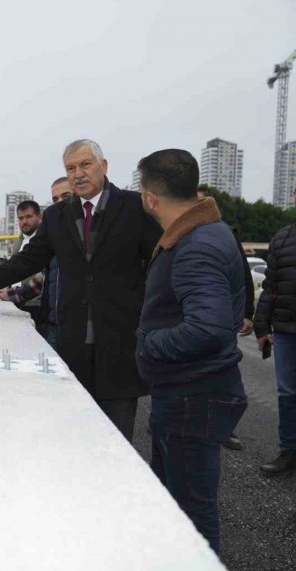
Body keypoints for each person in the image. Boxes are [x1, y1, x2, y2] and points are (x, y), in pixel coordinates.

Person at [0, 139, 162, 440]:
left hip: (120, 345)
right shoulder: (56, 216)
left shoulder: (133, 208)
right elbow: (30, 258)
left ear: (104, 166)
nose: (78, 174)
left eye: (85, 165)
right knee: (74, 433)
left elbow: (158, 261)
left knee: (117, 438)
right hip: (72, 345)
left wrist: (146, 310)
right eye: (71, 168)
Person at [135, 148, 247, 554]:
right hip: (189, 393)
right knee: (175, 506)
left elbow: (209, 327)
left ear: (149, 197)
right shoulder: (206, 231)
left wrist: (149, 341)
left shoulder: (195, 244)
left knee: (191, 518)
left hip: (192, 396)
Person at [197, 184, 254, 452]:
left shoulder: (225, 234)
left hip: (221, 320)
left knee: (224, 373)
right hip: (187, 318)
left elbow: (242, 275)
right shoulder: (173, 234)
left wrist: (247, 314)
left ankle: (226, 427)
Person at [0, 178, 71, 348]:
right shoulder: (21, 239)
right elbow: (42, 273)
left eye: (29, 217)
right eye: (21, 218)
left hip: (43, 310)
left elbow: (43, 275)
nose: (24, 222)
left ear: (40, 216)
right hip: (43, 312)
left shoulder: (49, 238)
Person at [254, 194, 296, 477]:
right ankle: (288, 452)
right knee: (287, 393)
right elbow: (270, 287)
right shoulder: (282, 238)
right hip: (286, 331)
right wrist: (260, 326)